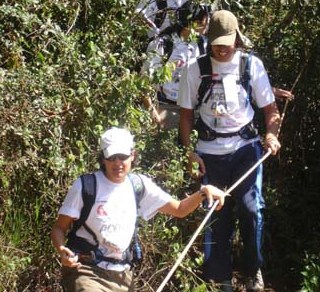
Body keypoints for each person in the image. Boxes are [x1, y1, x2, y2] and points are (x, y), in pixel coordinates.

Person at [177, 10, 282, 292]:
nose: (221, 48)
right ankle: (219, 278)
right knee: (215, 214)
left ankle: (252, 270)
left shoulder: (251, 66)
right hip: (209, 153)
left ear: (237, 38)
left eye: (226, 42)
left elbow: (270, 110)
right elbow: (186, 116)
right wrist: (190, 152)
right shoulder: (195, 70)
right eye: (215, 43)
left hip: (245, 148)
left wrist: (271, 135)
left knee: (251, 209)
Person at [51, 127, 226, 292]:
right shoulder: (85, 186)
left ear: (132, 155)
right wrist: (61, 250)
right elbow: (59, 228)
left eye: (123, 156)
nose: (118, 163)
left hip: (123, 276)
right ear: (103, 158)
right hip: (87, 270)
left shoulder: (139, 185)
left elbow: (179, 209)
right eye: (112, 157)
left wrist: (204, 192)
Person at [141, 1, 210, 128]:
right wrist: (154, 116)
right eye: (203, 21)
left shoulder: (204, 45)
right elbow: (144, 84)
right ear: (193, 22)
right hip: (164, 107)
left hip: (193, 109)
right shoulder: (163, 44)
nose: (206, 25)